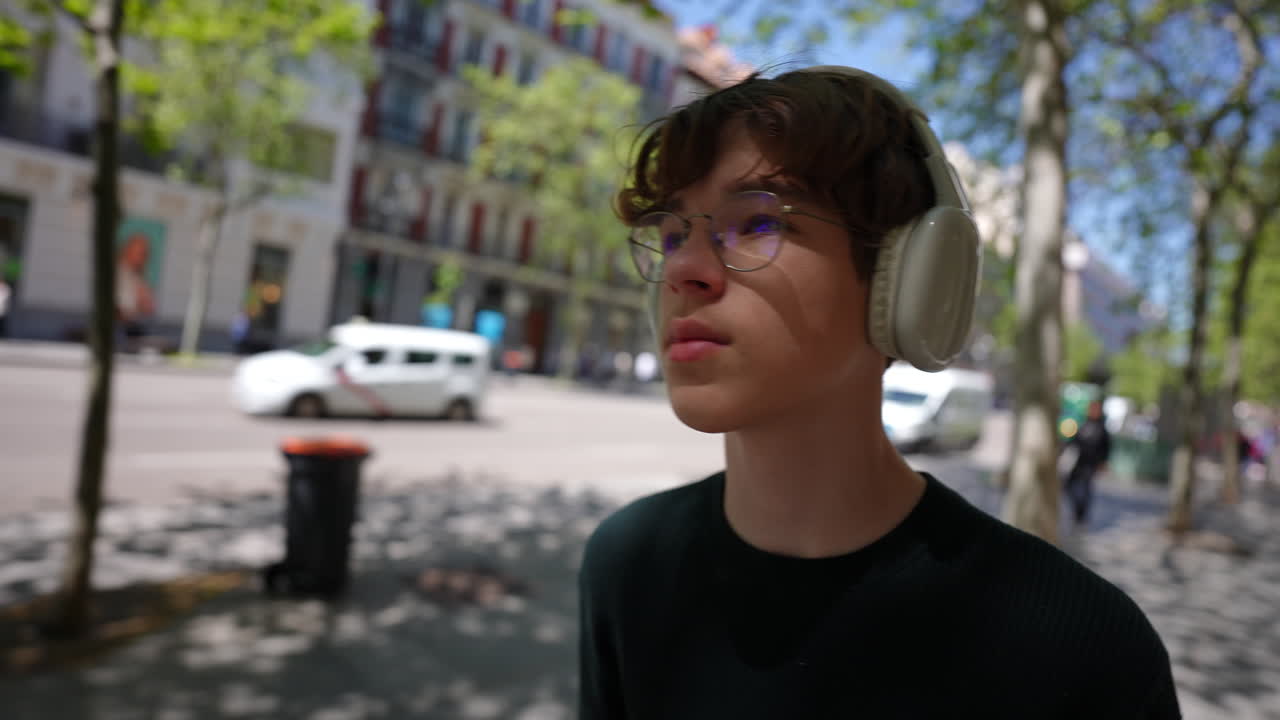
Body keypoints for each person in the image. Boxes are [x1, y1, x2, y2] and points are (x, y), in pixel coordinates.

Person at [578, 66, 1180, 718]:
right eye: (671, 236)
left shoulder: (1082, 649)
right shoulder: (626, 566)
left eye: (754, 224)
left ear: (907, 281)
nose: (683, 271)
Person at [1065, 399, 1112, 527]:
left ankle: (1081, 516)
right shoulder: (1083, 424)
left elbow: (1106, 447)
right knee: (1069, 486)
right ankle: (1077, 512)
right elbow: (1073, 441)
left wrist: (1103, 462)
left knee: (1085, 490)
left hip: (1091, 464)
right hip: (1078, 462)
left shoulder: (1102, 428)